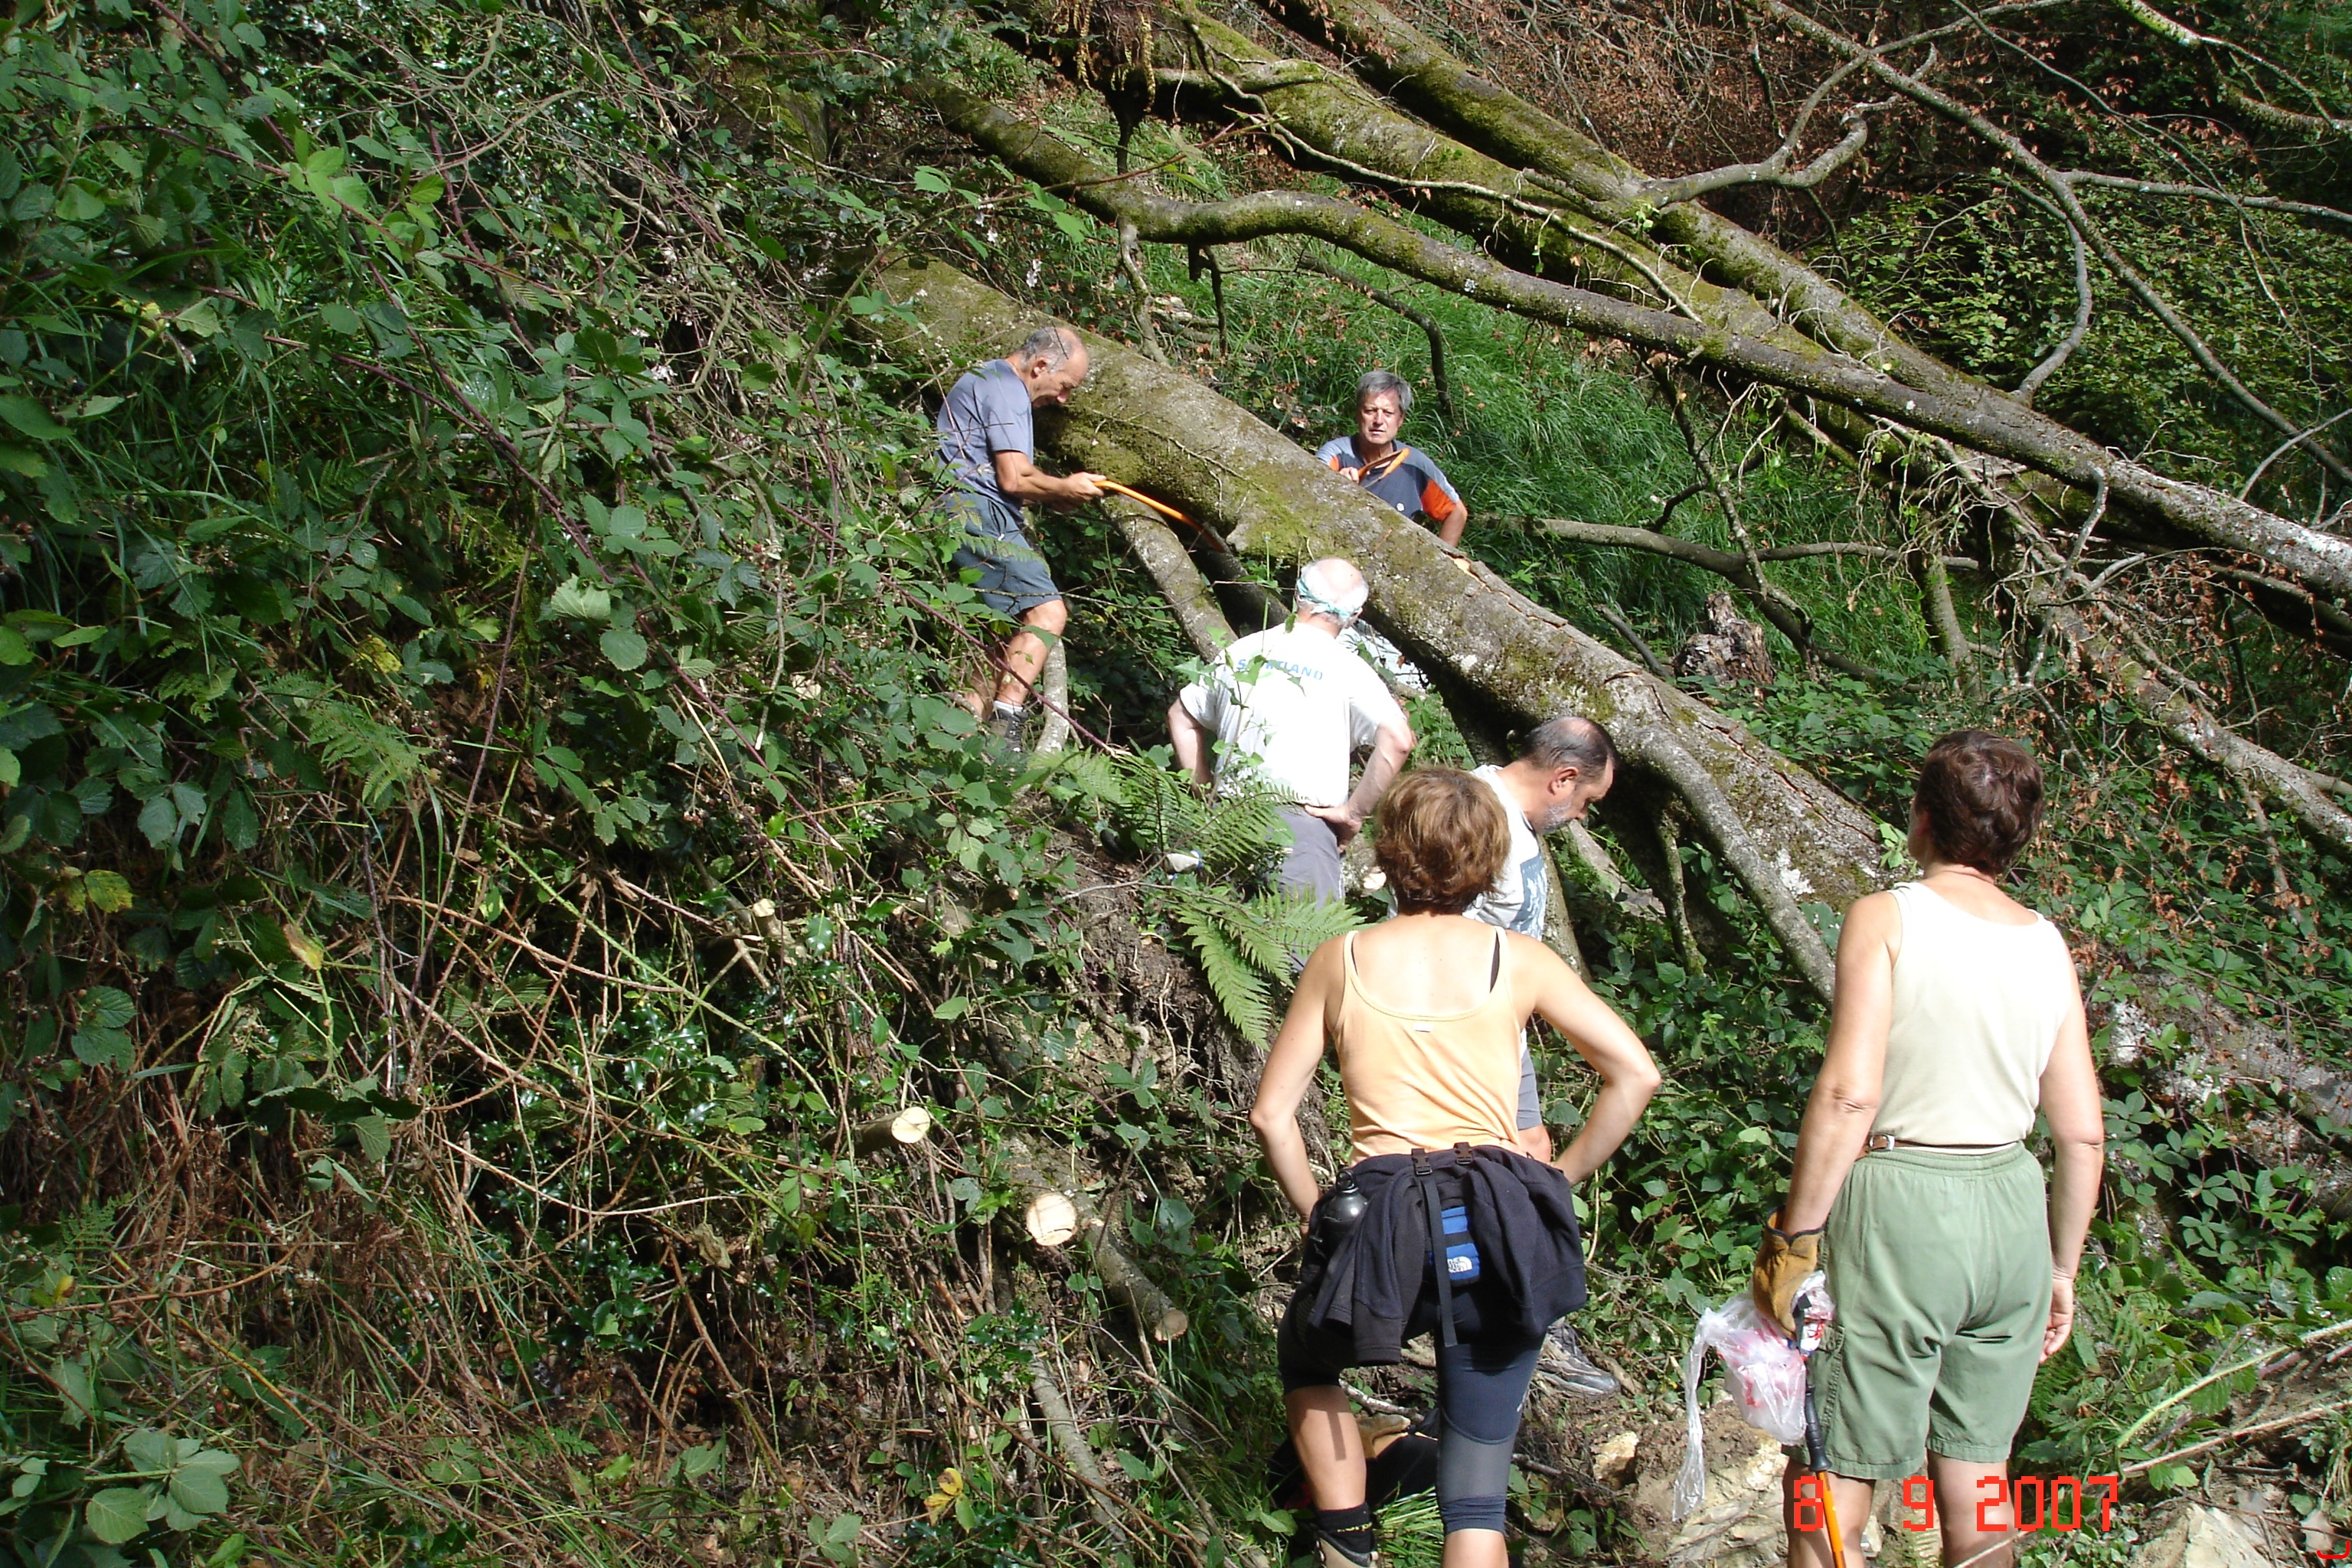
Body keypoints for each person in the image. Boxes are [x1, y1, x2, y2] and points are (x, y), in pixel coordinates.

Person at [1251, 769, 1661, 1568]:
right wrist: (1556, 1179)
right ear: (1488, 860)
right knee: (1475, 1497)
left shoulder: (1343, 958)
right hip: (1498, 1210)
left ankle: (1347, 1536)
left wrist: (1316, 1212)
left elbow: (1272, 1114)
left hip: (1381, 1209)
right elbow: (1636, 1073)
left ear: (1390, 849)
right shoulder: (1521, 959)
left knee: (1308, 1357)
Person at [1748, 731, 2105, 1568]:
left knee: (1831, 1472)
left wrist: (1797, 1236)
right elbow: (2084, 1131)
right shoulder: (2046, 942)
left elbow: (1850, 1093)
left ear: (1922, 819)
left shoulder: (1888, 916)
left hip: (1902, 1208)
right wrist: (2061, 1269)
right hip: (2012, 1208)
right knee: (1980, 1481)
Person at [1463, 716, 1621, 1396]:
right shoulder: (1477, 814)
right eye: (1586, 801)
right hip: (1472, 1033)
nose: (1582, 815)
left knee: (1531, 1153)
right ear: (1563, 778)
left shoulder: (1509, 819)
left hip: (1504, 1032)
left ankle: (1534, 1316)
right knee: (1515, 1173)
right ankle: (1525, 1326)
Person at [1168, 559, 1414, 900]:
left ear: (1298, 594)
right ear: (1355, 616)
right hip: (1302, 832)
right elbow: (1399, 741)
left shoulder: (1243, 650)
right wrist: (1353, 813)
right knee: (1301, 934)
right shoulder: (1350, 671)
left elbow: (1181, 715)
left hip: (1226, 821)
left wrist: (1205, 790)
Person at [935, 325, 1106, 756]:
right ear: (1041, 365)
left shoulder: (991, 380)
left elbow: (1006, 476)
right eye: (1065, 386)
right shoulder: (1005, 385)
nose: (1063, 398)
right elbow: (1013, 478)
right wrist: (1064, 486)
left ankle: (961, 729)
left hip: (964, 507)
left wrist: (1055, 496)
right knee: (1048, 613)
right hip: (974, 511)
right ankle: (1006, 726)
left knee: (1009, 625)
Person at [1317, 371, 1469, 547]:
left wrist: (1443, 558)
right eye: (1370, 411)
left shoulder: (1415, 465)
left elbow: (1457, 512)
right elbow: (1312, 490)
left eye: (1388, 413)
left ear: (1400, 419)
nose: (1378, 420)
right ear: (1358, 414)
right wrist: (1336, 484)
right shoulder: (1336, 454)